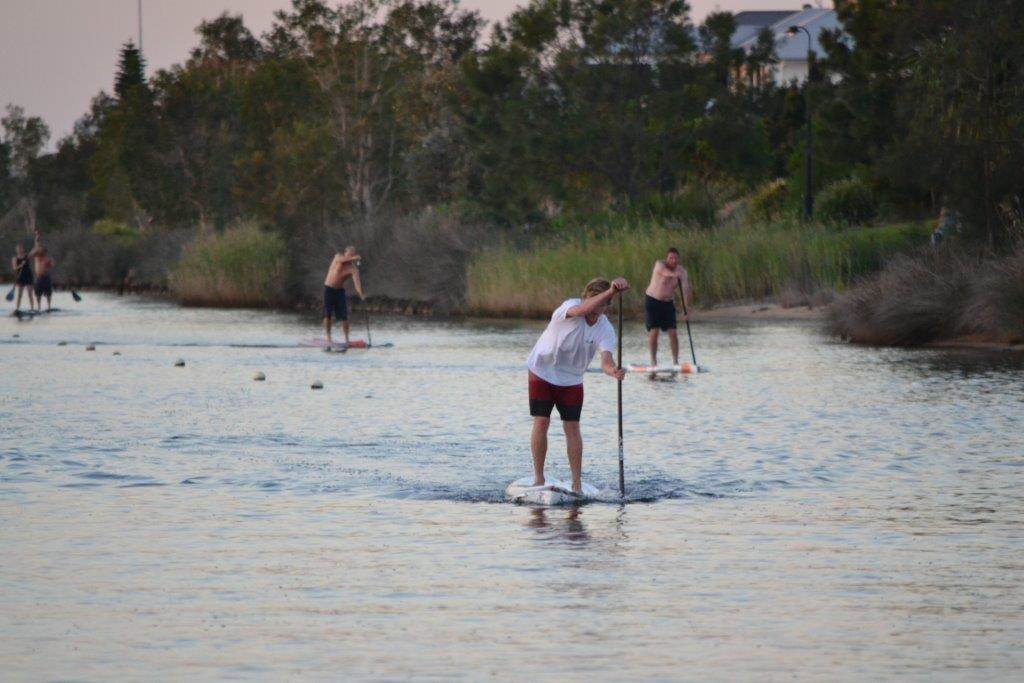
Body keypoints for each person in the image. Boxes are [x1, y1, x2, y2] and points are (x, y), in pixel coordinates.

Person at [526, 276, 629, 494]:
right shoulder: (570, 307)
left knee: (572, 427)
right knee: (542, 421)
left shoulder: (605, 329)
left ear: (607, 308)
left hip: (571, 378)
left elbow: (606, 361)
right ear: (585, 298)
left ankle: (577, 484)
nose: (596, 308)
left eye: (602, 305)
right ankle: (538, 478)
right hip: (542, 370)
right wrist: (610, 291)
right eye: (594, 301)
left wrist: (614, 372)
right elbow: (583, 310)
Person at [644, 247, 691, 366]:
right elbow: (666, 273)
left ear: (678, 259)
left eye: (675, 258)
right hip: (653, 301)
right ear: (667, 258)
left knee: (673, 332)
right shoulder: (659, 265)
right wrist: (675, 275)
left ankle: (675, 362)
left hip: (668, 303)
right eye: (671, 258)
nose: (673, 260)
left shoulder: (682, 272)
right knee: (654, 332)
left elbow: (685, 290)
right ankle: (653, 362)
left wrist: (686, 309)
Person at [322, 246, 364, 347]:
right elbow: (342, 259)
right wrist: (354, 258)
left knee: (344, 316)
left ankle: (347, 339)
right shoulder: (338, 257)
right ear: (345, 253)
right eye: (350, 254)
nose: (351, 256)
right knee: (328, 314)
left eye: (353, 254)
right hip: (329, 289)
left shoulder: (353, 269)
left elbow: (357, 284)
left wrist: (361, 294)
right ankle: (328, 337)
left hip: (339, 291)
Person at [29, 239, 55, 312]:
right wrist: (37, 242)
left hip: (46, 276)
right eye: (40, 250)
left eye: (42, 251)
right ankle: (39, 307)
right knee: (38, 293)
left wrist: (49, 263)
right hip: (38, 277)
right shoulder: (36, 256)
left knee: (48, 293)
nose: (41, 252)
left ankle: (49, 307)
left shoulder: (47, 257)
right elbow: (31, 253)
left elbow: (52, 264)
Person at [10, 243, 35, 313]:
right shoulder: (15, 258)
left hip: (28, 276)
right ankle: (17, 309)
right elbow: (14, 268)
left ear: (23, 249)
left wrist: (36, 239)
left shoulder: (27, 256)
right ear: (16, 250)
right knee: (19, 295)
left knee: (30, 294)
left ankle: (32, 309)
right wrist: (21, 265)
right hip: (20, 277)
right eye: (18, 248)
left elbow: (34, 250)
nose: (20, 249)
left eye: (21, 248)